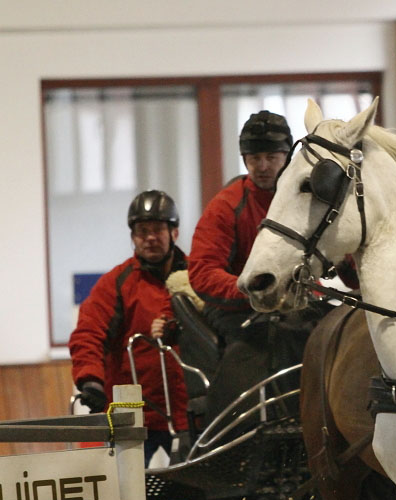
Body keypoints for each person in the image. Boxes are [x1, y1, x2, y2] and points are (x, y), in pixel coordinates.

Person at [185, 110, 331, 419]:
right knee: (280, 334)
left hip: (299, 302)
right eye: (253, 158)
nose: (262, 166)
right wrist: (254, 290)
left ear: (287, 155)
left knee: (340, 328)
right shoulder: (226, 205)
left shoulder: (309, 200)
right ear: (244, 159)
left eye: (271, 156)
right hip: (238, 307)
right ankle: (282, 424)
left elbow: (342, 263)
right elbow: (202, 272)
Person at [70, 190, 189, 466]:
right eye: (141, 231)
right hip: (133, 413)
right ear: (132, 237)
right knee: (124, 495)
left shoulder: (197, 276)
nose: (149, 237)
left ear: (174, 233)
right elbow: (88, 332)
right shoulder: (116, 283)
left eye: (157, 229)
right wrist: (91, 380)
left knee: (200, 494)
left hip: (186, 411)